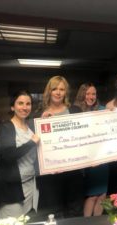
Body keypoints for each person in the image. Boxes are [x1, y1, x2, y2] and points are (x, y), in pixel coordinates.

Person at [0, 90, 40, 219]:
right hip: (12, 190)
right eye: (20, 103)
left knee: (26, 221)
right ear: (12, 107)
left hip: (30, 185)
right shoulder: (6, 128)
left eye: (28, 104)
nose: (24, 107)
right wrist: (31, 143)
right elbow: (9, 155)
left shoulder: (31, 128)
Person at [41, 75, 83, 217]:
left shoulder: (76, 110)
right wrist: (41, 123)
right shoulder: (40, 113)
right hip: (52, 173)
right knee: (55, 212)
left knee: (75, 210)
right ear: (49, 91)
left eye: (61, 89)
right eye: (54, 89)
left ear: (66, 92)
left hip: (74, 170)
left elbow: (85, 133)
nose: (58, 92)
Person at [74, 83, 109, 217]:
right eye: (88, 93)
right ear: (82, 95)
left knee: (102, 196)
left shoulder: (103, 109)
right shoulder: (76, 111)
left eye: (93, 94)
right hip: (86, 160)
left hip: (103, 158)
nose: (91, 96)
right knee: (91, 196)